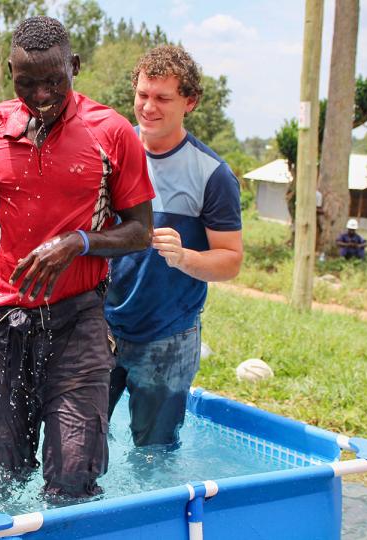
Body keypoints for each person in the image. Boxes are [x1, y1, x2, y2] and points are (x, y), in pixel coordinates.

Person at [0, 16, 154, 497]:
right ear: (10, 72)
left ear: (74, 66)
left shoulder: (110, 132)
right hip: (0, 321)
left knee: (74, 475)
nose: (42, 93)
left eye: (54, 79)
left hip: (78, 321)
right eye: (26, 82)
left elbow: (140, 232)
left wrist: (79, 242)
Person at [105, 45, 244, 448]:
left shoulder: (213, 175)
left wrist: (185, 258)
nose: (149, 107)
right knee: (77, 441)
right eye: (143, 95)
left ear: (190, 102)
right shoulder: (112, 152)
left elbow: (231, 260)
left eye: (163, 98)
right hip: (101, 327)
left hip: (168, 338)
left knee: (154, 454)